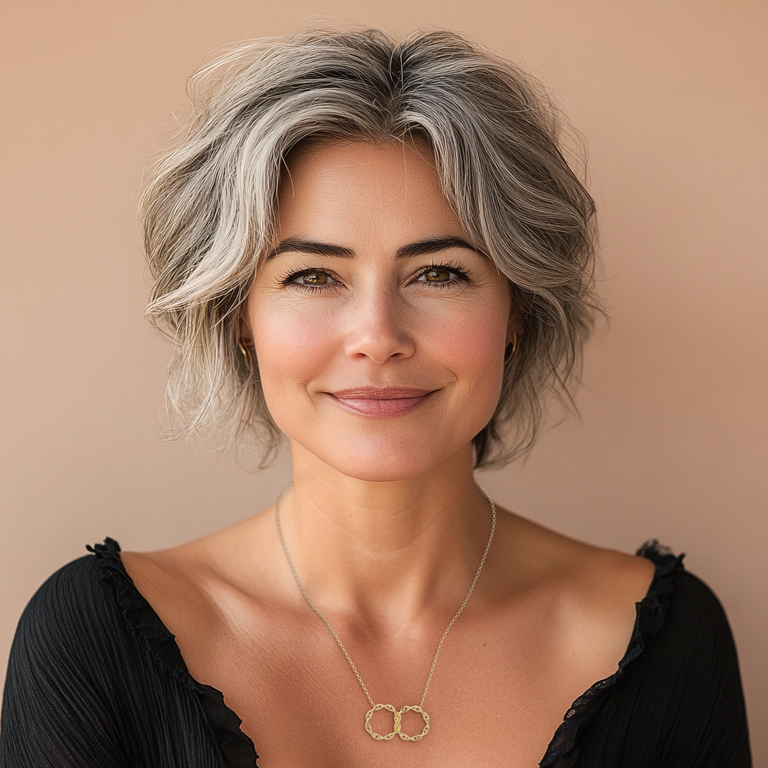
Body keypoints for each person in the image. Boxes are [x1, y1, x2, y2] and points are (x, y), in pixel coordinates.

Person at [0, 27, 751, 768]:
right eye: (312, 276)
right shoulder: (91, 639)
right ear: (238, 320)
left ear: (516, 312)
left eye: (440, 273)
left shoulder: (666, 639)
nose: (378, 336)